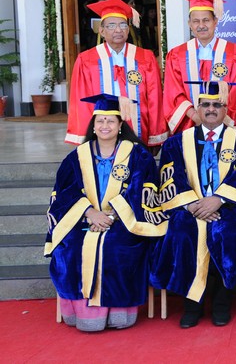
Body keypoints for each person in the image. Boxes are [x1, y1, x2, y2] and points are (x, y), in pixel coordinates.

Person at [46, 93, 166, 331]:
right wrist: (90, 213)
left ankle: (119, 310)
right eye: (100, 120)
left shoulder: (138, 154)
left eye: (111, 121)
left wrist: (111, 216)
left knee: (117, 246)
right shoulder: (77, 156)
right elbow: (64, 190)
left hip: (125, 220)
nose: (105, 125)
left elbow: (142, 189)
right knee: (70, 246)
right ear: (93, 125)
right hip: (83, 218)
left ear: (120, 125)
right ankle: (82, 312)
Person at [150, 81, 236, 328]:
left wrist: (218, 200)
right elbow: (170, 177)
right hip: (189, 208)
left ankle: (222, 303)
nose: (211, 109)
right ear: (197, 109)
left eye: (217, 105)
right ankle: (192, 304)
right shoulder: (176, 143)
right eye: (206, 105)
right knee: (182, 234)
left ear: (226, 109)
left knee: (227, 235)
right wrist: (191, 205)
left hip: (228, 208)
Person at [65, 0, 168, 148]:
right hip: (101, 134)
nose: (118, 30)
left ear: (128, 29)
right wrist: (86, 137)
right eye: (111, 25)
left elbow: (155, 98)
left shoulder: (145, 57)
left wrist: (155, 135)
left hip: (139, 132)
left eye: (123, 25)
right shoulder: (86, 60)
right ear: (101, 30)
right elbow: (82, 103)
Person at [163, 0, 236, 134]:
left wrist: (218, 118)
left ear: (215, 21)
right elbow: (174, 92)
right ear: (189, 24)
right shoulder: (177, 55)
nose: (201, 25)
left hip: (225, 125)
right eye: (196, 21)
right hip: (190, 124)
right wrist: (196, 117)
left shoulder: (235, 53)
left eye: (206, 20)